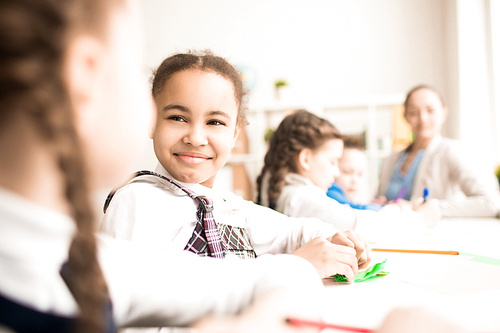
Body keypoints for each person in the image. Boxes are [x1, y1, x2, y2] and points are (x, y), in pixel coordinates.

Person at [0, 0, 343, 331]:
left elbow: (281, 277)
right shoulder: (105, 240)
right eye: (134, 67)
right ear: (84, 73)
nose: (195, 136)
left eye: (216, 122)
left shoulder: (91, 264)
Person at [100, 51, 372, 280]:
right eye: (177, 117)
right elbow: (137, 310)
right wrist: (295, 268)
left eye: (215, 122)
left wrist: (335, 237)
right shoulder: (137, 201)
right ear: (151, 120)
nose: (195, 137)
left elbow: (296, 231)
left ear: (234, 134)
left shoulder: (229, 207)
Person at [256, 110, 440, 242]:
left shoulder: (288, 191)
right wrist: (419, 220)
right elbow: (358, 227)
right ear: (305, 159)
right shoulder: (301, 198)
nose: (336, 172)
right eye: (333, 162)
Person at [376, 85, 500, 217]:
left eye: (430, 110)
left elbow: (490, 202)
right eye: (413, 112)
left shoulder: (452, 151)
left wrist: (422, 208)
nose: (422, 118)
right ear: (405, 116)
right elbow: (379, 200)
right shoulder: (389, 160)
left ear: (444, 113)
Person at [326, 137, 383, 212]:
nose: (355, 180)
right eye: (347, 172)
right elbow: (353, 209)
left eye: (360, 174)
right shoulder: (330, 191)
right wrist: (387, 208)